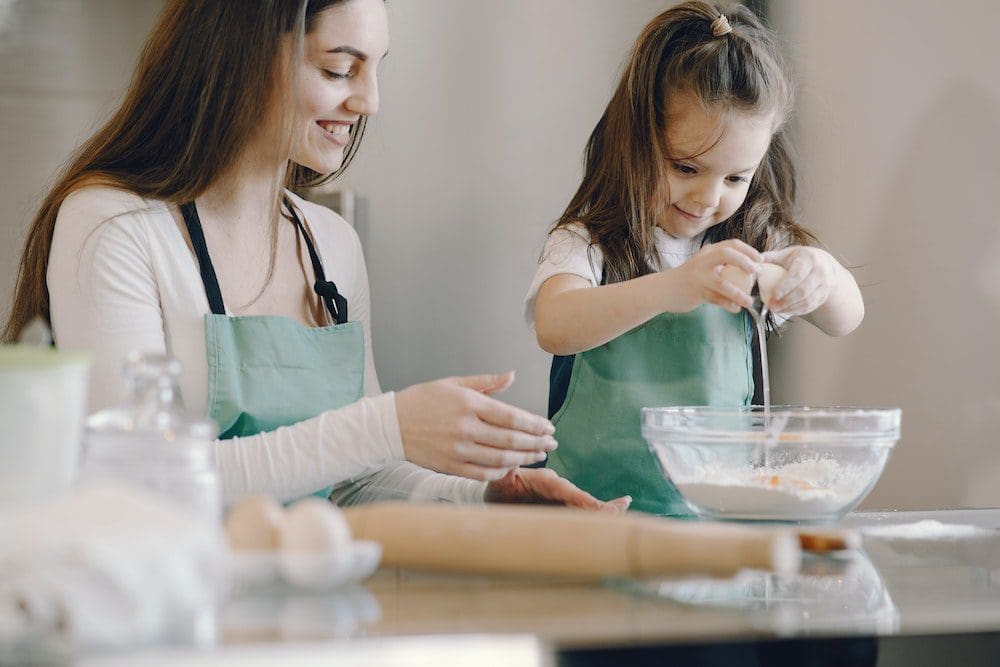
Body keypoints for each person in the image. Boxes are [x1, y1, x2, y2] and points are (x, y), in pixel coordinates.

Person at [2, 0, 630, 511]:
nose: (369, 102)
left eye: (375, 69)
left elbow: (356, 480)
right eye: (339, 70)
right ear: (243, 55)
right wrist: (386, 425)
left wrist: (487, 497)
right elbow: (139, 481)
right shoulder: (115, 226)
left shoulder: (331, 245)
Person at [524, 1, 864, 515]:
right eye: (686, 167)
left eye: (735, 178)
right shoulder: (589, 242)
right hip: (591, 518)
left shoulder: (751, 245)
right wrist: (674, 286)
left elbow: (846, 318)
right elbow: (555, 325)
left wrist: (823, 277)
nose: (708, 198)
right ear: (635, 143)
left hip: (712, 518)